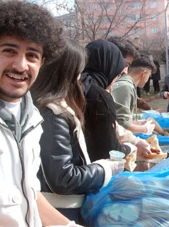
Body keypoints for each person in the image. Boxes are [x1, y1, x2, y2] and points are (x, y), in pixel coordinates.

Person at [0, 1, 76, 226]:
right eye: (9, 51)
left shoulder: (31, 117)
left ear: (42, 63)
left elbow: (31, 194)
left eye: (32, 55)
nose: (20, 65)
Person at [31, 39, 122, 224]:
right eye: (79, 73)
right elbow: (63, 178)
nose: (81, 79)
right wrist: (105, 169)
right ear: (67, 73)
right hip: (62, 210)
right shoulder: (52, 113)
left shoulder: (57, 108)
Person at [80, 40, 147, 162]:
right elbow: (108, 150)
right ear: (110, 62)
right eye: (123, 64)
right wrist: (130, 148)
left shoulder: (78, 85)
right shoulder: (99, 96)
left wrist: (135, 141)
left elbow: (109, 125)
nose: (124, 71)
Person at [112, 55, 157, 134]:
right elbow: (121, 123)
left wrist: (138, 123)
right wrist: (144, 129)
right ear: (143, 73)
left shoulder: (127, 85)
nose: (147, 80)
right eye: (149, 76)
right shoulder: (125, 87)